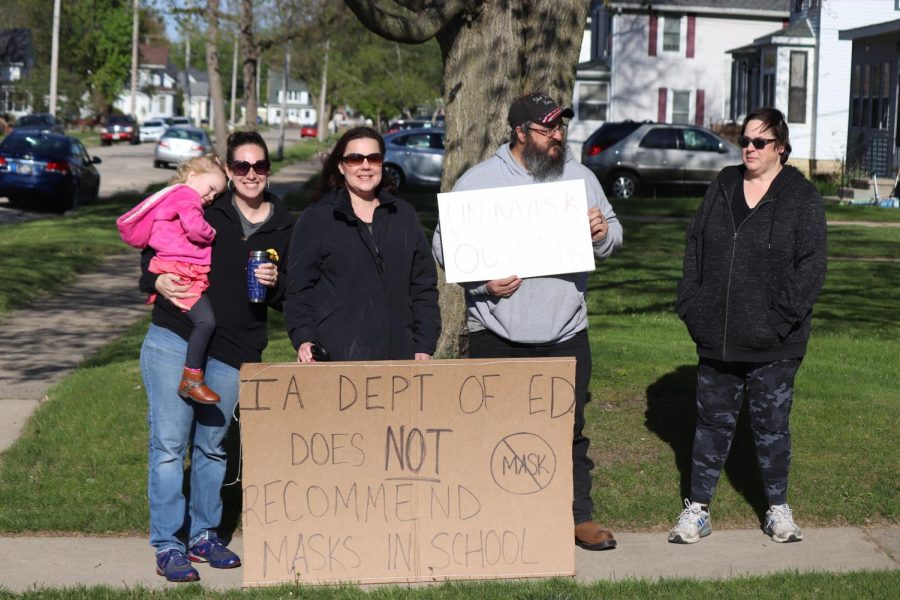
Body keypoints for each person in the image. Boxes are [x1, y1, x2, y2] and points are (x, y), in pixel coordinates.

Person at [432, 92, 624, 551]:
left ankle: (579, 517)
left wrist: (601, 234)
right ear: (519, 133)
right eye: (547, 129)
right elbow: (444, 247)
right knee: (493, 429)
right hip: (496, 332)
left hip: (566, 331)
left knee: (569, 427)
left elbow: (615, 234)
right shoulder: (478, 182)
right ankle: (495, 518)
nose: (557, 137)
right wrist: (482, 285)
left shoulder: (579, 178)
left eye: (561, 128)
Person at [138, 131, 294, 582]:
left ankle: (204, 535)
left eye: (259, 166)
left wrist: (276, 282)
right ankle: (169, 544)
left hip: (235, 347)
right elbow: (152, 243)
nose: (250, 174)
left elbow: (294, 294)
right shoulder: (206, 205)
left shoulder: (286, 224)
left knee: (212, 447)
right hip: (176, 336)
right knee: (169, 446)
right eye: (241, 166)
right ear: (229, 170)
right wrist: (156, 282)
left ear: (267, 170)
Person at [670, 107, 827, 545]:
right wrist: (693, 306)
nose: (750, 148)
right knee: (710, 426)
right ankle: (697, 510)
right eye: (746, 140)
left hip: (776, 343)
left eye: (760, 142)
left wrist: (779, 319)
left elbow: (812, 267)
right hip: (717, 339)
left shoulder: (801, 198)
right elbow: (694, 247)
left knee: (772, 428)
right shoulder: (722, 185)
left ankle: (777, 509)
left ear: (780, 147)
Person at [285, 126, 440, 362]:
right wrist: (304, 338)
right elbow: (298, 290)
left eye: (374, 158)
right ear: (341, 165)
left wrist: (424, 345)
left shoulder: (404, 215)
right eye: (355, 158)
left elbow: (423, 287)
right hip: (336, 358)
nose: (365, 166)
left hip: (400, 356)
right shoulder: (317, 219)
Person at [118, 155, 226, 404]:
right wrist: (211, 233)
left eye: (216, 195)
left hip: (174, 266)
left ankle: (192, 379)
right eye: (210, 189)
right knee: (205, 321)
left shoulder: (173, 196)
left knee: (203, 320)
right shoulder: (186, 196)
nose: (211, 198)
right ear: (192, 176)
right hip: (178, 268)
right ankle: (192, 379)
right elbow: (196, 228)